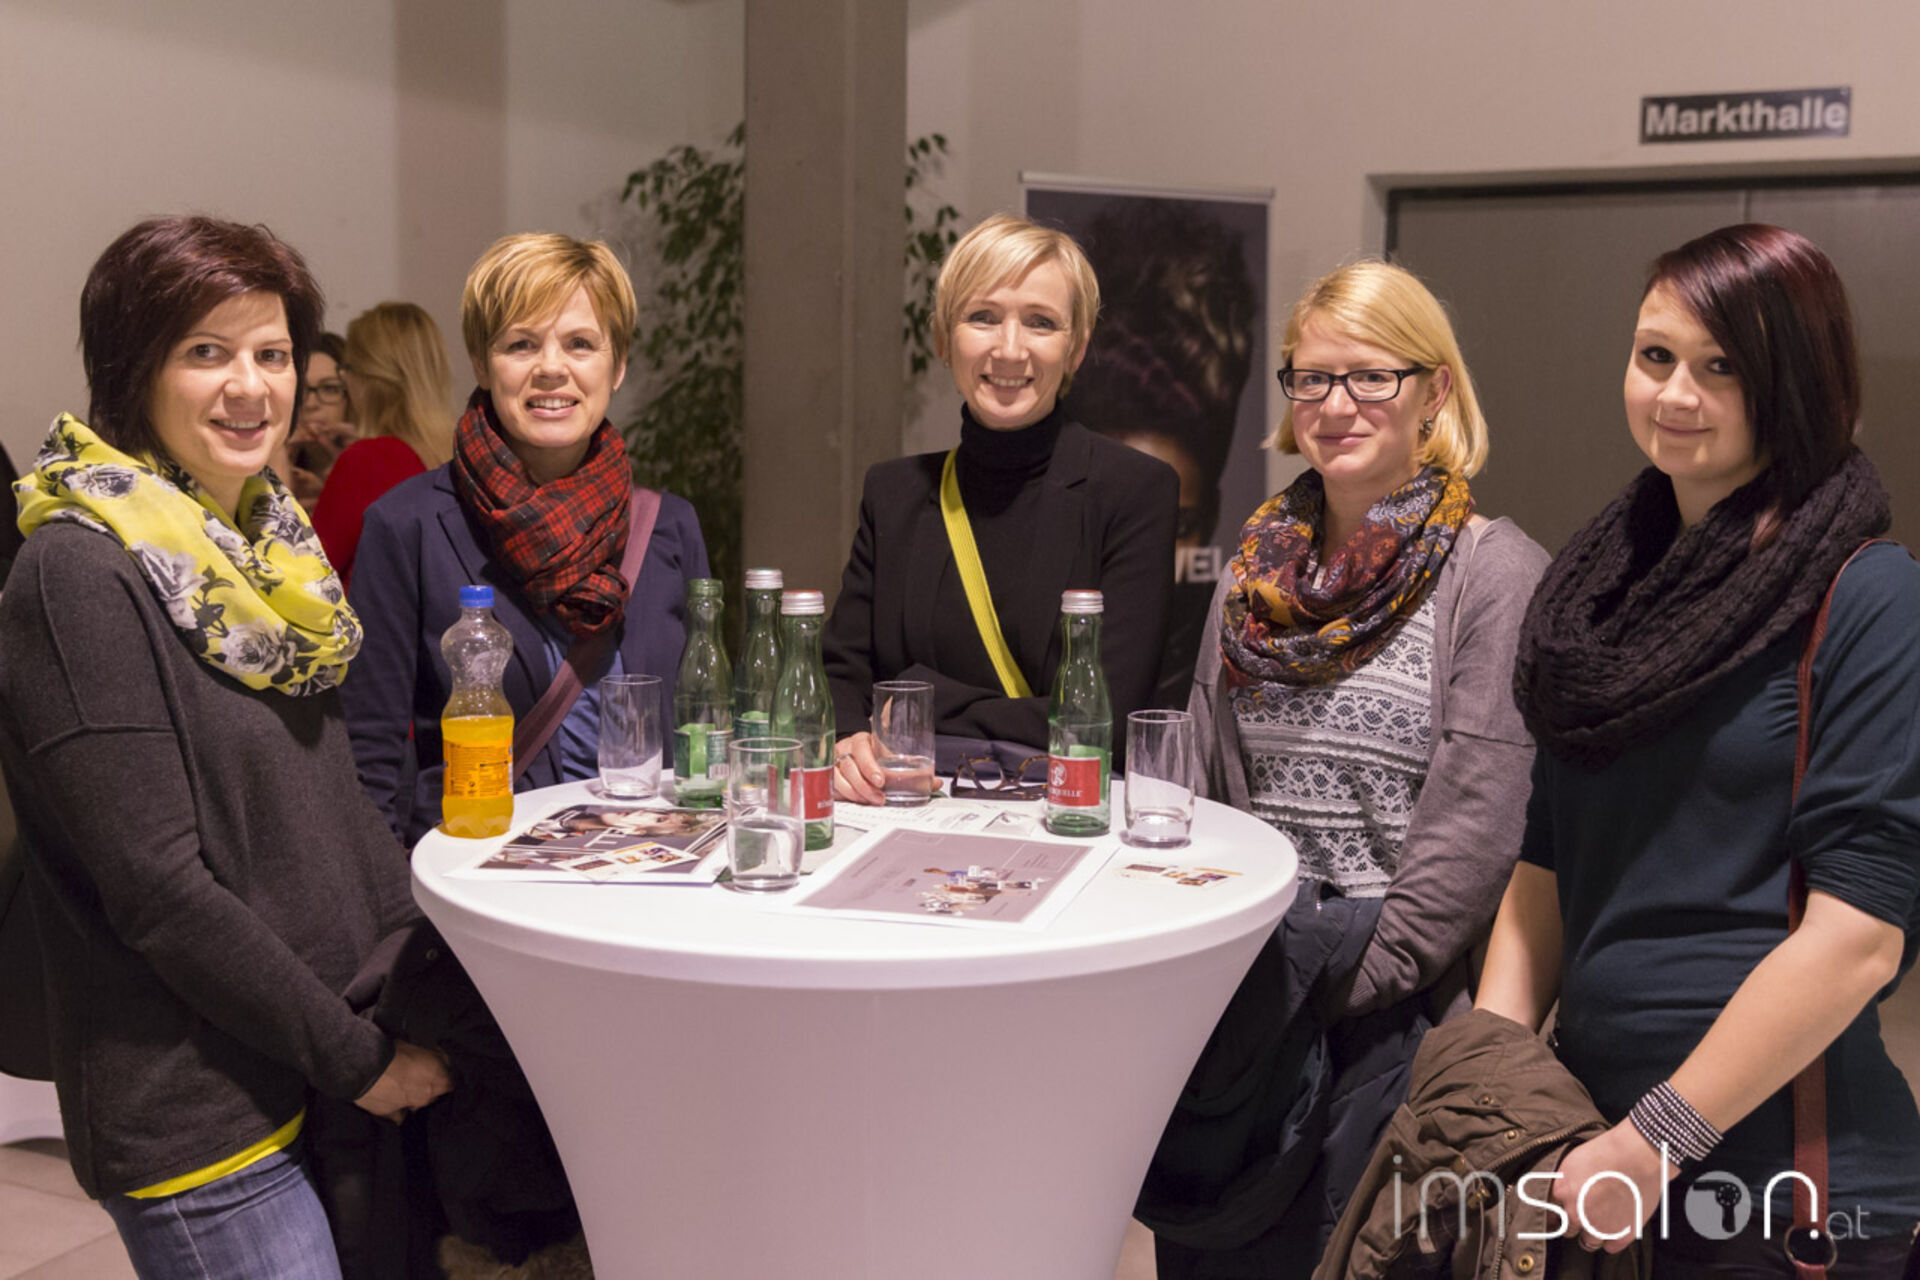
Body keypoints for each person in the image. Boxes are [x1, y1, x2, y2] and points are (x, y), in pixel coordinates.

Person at [0, 215, 450, 1277]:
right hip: (199, 1112)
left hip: (306, 1058)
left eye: (273, 353)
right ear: (134, 368)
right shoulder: (79, 573)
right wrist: (362, 1062)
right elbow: (160, 891)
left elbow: (334, 809)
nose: (251, 386)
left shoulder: (260, 552)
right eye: (207, 351)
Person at [1478, 225, 1920, 1275]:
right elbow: (1545, 861)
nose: (1676, 393)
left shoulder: (1871, 594)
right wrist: (1489, 1078)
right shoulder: (1600, 594)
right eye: (1656, 356)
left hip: (1781, 1176)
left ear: (1795, 383)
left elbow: (1859, 938)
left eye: (1724, 367)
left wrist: (1657, 1139)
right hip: (1587, 1142)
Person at [1156, 259, 1547, 1273]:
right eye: (1312, 377)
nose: (1336, 405)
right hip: (1248, 1007)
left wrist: (1326, 987)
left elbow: (1477, 831)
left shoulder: (1494, 574)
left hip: (1391, 1029)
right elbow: (1202, 787)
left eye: (1372, 376)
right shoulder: (1253, 573)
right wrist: (1236, 982)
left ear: (1435, 391)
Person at [344, 232, 707, 843]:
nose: (551, 368)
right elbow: (368, 757)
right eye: (521, 344)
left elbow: (703, 724)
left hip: (650, 862)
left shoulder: (669, 526)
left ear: (618, 364)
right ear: (482, 365)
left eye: (580, 344)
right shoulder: (408, 525)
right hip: (479, 865)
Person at [824, 213, 1179, 803]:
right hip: (906, 810)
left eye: (1041, 322)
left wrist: (922, 700)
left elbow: (1105, 719)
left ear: (1076, 349)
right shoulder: (894, 494)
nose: (1010, 349)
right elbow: (840, 678)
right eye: (983, 317)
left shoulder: (1134, 492)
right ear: (944, 340)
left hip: (1067, 818)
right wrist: (845, 742)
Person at [310, 303, 455, 586]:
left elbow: (306, 573)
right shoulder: (459, 452)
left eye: (346, 370)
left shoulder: (368, 459)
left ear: (366, 379)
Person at [270, 330, 358, 508]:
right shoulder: (270, 459)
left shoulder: (369, 464)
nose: (310, 404)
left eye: (330, 389)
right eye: (301, 389)